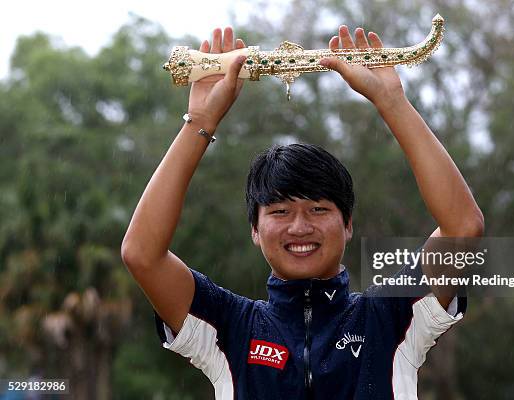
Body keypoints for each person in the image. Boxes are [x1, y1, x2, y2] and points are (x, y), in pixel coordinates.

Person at [121, 25, 484, 400]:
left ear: (348, 225)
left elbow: (462, 226)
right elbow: (142, 254)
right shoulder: (229, 327)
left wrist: (391, 101)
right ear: (255, 230)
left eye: (318, 209)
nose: (300, 226)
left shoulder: (390, 318)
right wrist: (199, 122)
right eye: (279, 211)